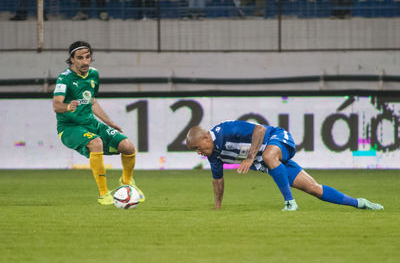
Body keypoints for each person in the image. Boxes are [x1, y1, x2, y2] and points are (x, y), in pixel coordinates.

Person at [186, 120, 384, 211]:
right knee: (314, 189)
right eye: (194, 150)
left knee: (268, 155)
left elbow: (259, 129)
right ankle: (360, 203)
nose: (198, 152)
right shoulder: (213, 155)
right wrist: (218, 208)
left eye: (197, 147)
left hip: (277, 139)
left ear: (205, 137)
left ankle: (290, 203)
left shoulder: (225, 130)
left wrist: (250, 157)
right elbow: (217, 181)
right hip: (270, 161)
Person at [52, 41, 145, 205]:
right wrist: (67, 106)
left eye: (88, 57)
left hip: (91, 123)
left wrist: (109, 122)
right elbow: (56, 105)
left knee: (128, 146)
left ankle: (126, 182)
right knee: (96, 143)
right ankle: (103, 194)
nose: (85, 61)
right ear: (72, 59)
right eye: (80, 58)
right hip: (70, 128)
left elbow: (92, 101)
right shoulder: (64, 78)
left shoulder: (94, 74)